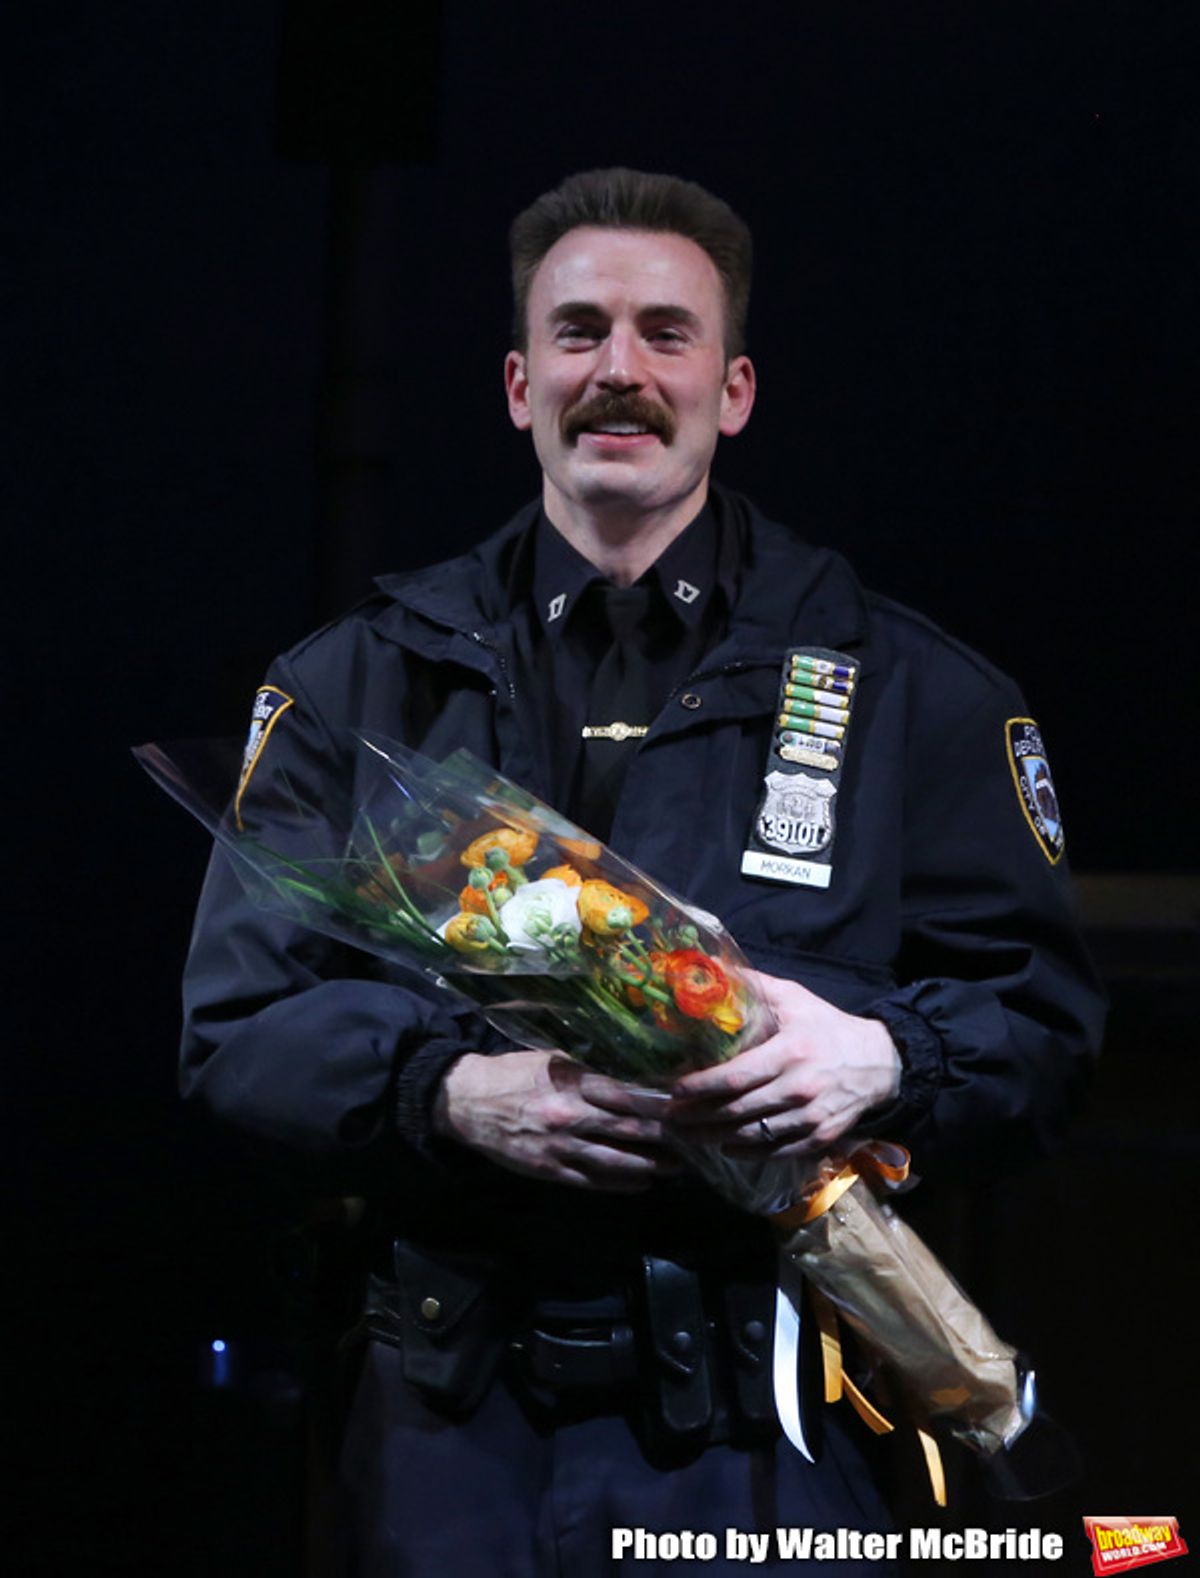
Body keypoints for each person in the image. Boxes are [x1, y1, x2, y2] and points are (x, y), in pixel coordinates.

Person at [181, 169, 1105, 1575]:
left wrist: (884, 1057)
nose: (620, 370)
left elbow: (1047, 1031)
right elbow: (235, 1031)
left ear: (732, 390)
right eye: (579, 332)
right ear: (517, 382)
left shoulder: (909, 689)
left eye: (666, 334)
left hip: (776, 1439)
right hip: (447, 1436)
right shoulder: (357, 685)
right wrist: (447, 1091)